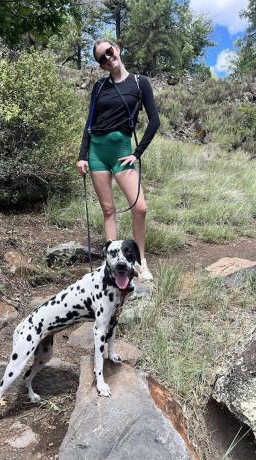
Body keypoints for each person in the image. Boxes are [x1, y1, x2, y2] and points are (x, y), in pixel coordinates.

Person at [76, 39, 160, 281]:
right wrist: (82, 156)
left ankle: (140, 262)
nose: (107, 58)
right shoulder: (99, 87)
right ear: (101, 65)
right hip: (97, 153)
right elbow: (89, 123)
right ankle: (111, 266)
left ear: (118, 49)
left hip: (122, 152)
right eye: (101, 58)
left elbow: (154, 120)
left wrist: (136, 152)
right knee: (108, 210)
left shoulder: (139, 83)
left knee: (140, 207)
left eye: (109, 52)